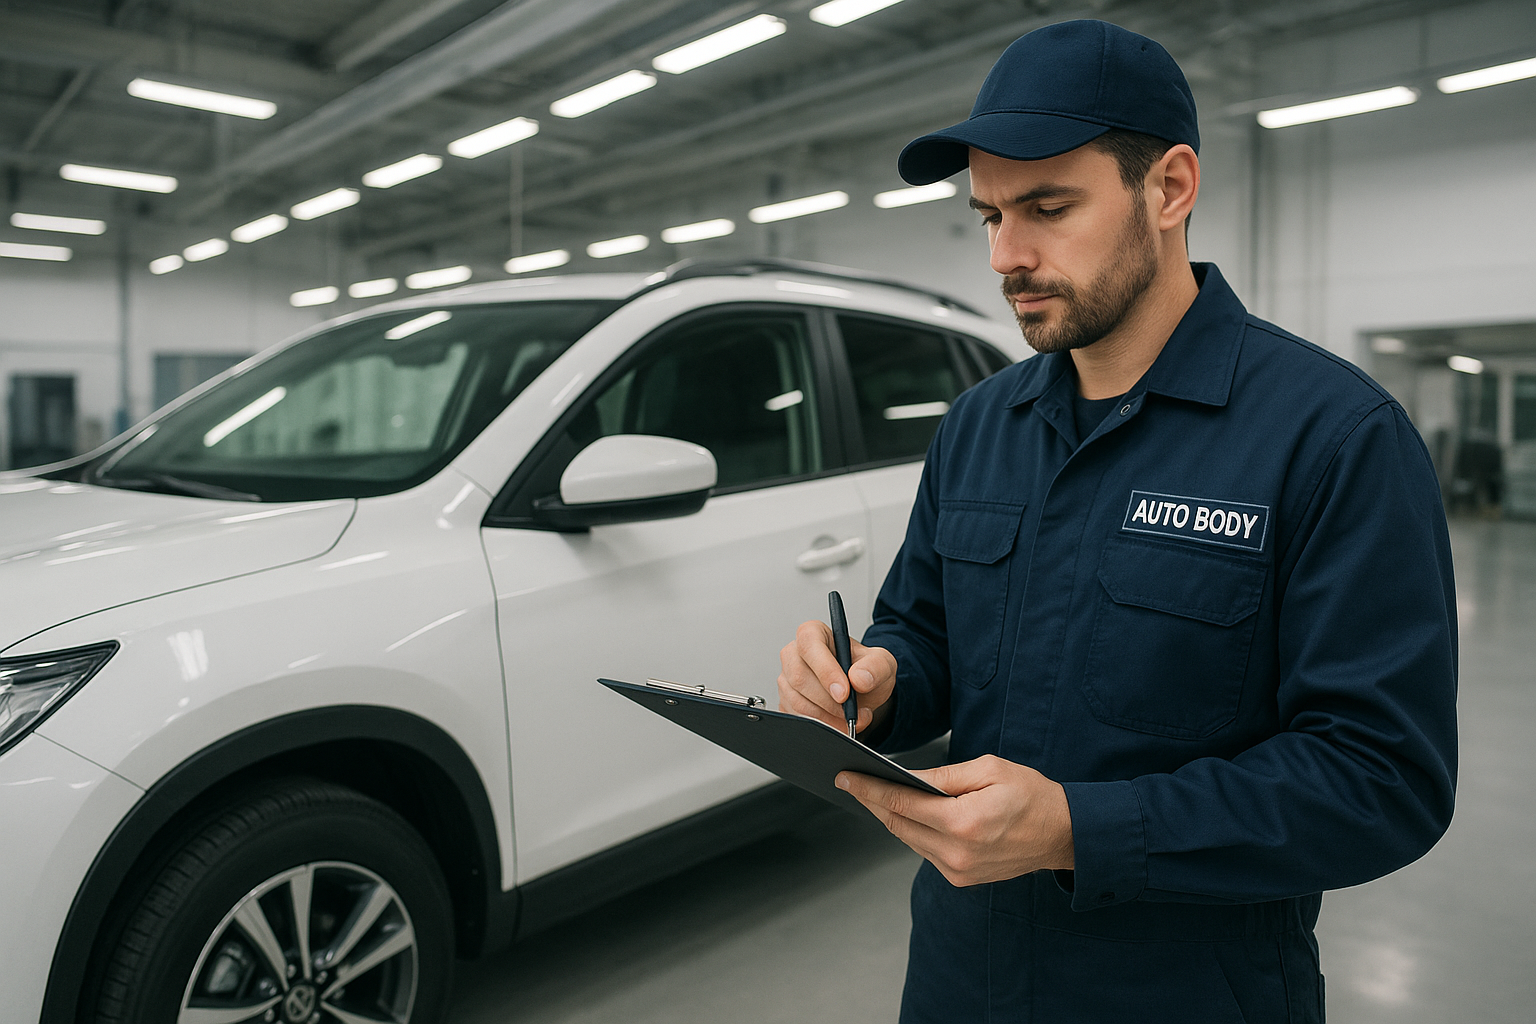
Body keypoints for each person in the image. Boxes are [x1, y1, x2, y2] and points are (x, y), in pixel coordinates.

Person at [777, 19, 1457, 1023]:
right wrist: (874, 684)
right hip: (963, 978)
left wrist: (1077, 828)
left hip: (1185, 992)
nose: (1009, 254)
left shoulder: (1333, 438)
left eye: (1048, 206)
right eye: (989, 217)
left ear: (1170, 188)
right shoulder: (979, 426)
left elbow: (1381, 777)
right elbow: (922, 632)